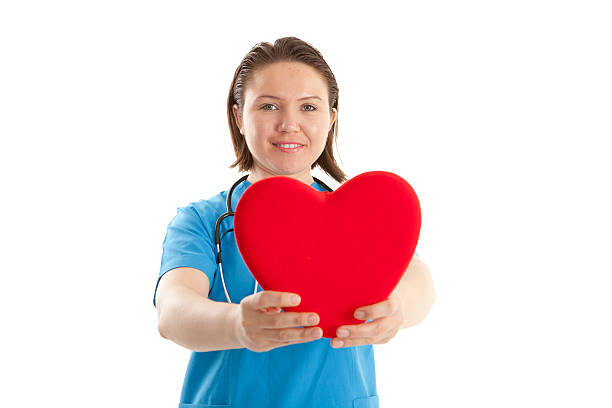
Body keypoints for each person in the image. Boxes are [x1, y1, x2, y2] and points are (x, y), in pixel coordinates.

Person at [153, 36, 436, 408]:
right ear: (239, 116)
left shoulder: (358, 215)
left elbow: (418, 280)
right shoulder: (202, 221)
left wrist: (398, 309)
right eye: (269, 106)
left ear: (331, 119)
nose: (289, 124)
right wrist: (238, 325)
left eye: (308, 107)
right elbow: (173, 312)